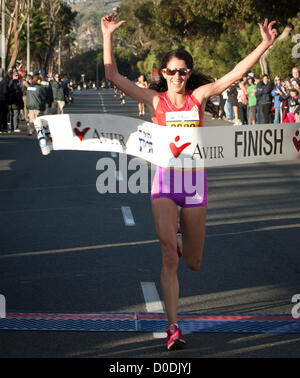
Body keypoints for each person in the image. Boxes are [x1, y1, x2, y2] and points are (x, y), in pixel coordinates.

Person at [101, 13, 277, 350]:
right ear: (163, 74)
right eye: (172, 71)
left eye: (184, 71)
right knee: (169, 257)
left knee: (192, 263)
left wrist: (265, 45)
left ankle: (181, 239)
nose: (178, 76)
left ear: (189, 74)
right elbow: (112, 75)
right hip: (165, 185)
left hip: (195, 186)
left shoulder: (199, 98)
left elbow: (236, 74)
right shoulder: (155, 101)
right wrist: (106, 34)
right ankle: (173, 328)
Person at [0, 68, 9, 133]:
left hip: (2, 100)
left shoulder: (2, 82)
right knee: (3, 115)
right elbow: (5, 92)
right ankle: (2, 127)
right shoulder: (4, 82)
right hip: (3, 101)